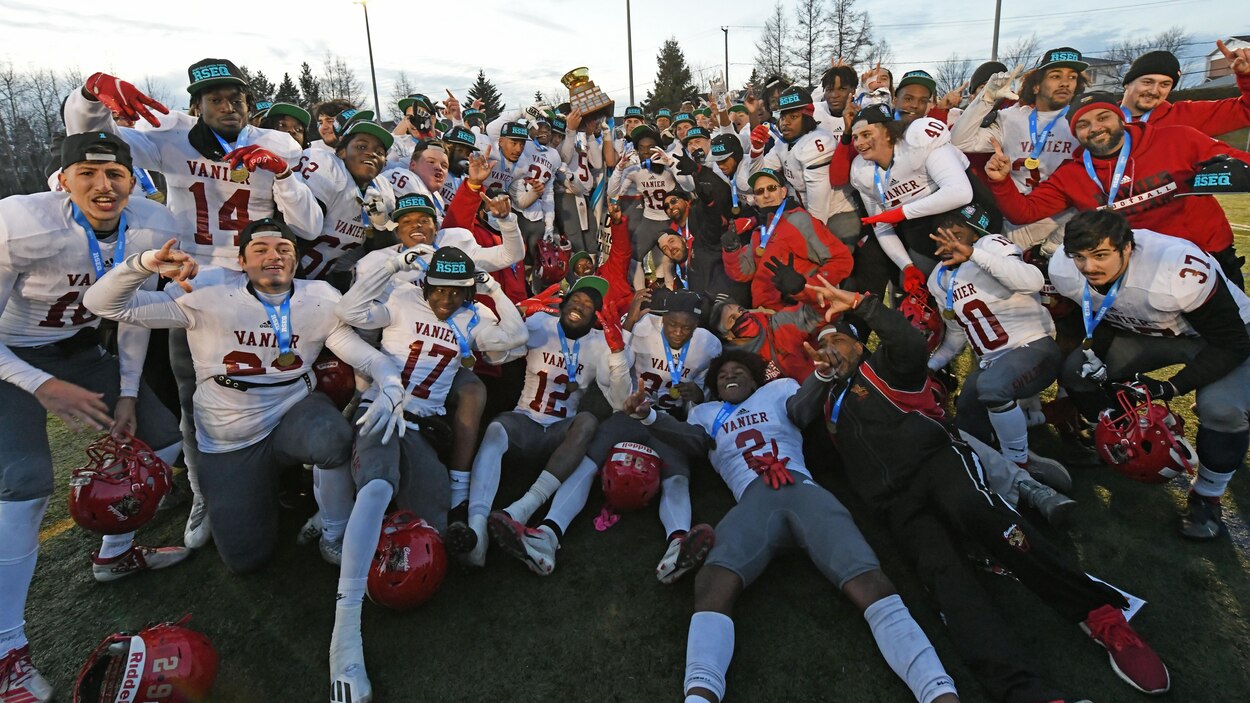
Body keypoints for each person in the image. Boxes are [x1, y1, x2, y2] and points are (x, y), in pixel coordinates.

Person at [807, 276, 1171, 702]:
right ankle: (1025, 693)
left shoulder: (886, 368)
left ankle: (1100, 615)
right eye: (822, 347)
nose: (830, 350)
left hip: (937, 466)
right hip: (897, 503)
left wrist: (859, 302)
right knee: (947, 583)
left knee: (989, 521)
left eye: (837, 340)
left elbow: (906, 339)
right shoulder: (827, 408)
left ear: (858, 345)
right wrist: (815, 387)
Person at [621, 349, 960, 703]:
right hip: (752, 502)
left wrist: (822, 376)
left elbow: (800, 410)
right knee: (711, 582)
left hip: (802, 491)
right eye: (721, 375)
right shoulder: (706, 414)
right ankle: (699, 697)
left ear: (755, 378)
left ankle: (937, 691)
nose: (729, 376)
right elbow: (691, 441)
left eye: (739, 370)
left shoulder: (778, 389)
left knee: (868, 579)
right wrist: (649, 417)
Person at [83, 218, 405, 574]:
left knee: (333, 438)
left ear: (295, 260)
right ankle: (253, 492)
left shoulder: (319, 297)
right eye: (261, 249)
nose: (274, 256)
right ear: (241, 261)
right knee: (244, 559)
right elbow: (104, 305)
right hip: (229, 431)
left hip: (292, 407)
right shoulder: (206, 289)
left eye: (284, 249)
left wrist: (390, 383)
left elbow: (362, 354)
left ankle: (334, 531)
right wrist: (142, 264)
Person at [0, 133, 191, 703]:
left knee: (162, 440)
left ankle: (115, 553)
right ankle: (7, 650)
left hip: (80, 351)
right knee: (24, 484)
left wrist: (129, 390)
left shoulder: (152, 226)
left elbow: (128, 312)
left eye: (115, 175)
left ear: (134, 180)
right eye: (87, 173)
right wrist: (42, 385)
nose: (103, 186)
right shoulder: (22, 223)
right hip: (11, 357)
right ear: (62, 179)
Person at [327, 245, 527, 701]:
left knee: (434, 532)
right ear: (426, 283)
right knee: (377, 488)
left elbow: (515, 337)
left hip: (420, 428)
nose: (447, 300)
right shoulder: (402, 298)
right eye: (440, 290)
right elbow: (349, 309)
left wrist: (491, 285)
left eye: (458, 292)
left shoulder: (471, 318)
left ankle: (364, 517)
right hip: (381, 408)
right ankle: (345, 634)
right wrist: (394, 263)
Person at [1049, 209, 1250, 541]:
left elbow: (1232, 343)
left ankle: (1207, 496)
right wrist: (1097, 356)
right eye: (1079, 257)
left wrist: (1171, 386)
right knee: (1078, 372)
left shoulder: (1175, 271)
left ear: (1127, 248)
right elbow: (1105, 313)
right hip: (1148, 332)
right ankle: (1119, 435)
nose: (1088, 267)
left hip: (1216, 337)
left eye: (1100, 255)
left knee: (1223, 410)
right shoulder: (1064, 268)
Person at [984, 91, 1250, 289]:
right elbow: (1023, 212)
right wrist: (1001, 181)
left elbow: (1241, 164)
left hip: (1209, 258)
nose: (1095, 128)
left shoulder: (1179, 138)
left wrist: (1228, 169)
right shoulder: (1072, 174)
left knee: (1234, 345)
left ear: (1120, 117)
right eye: (1083, 124)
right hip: (1140, 269)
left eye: (1103, 117)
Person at [466, 276, 632, 572]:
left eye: (589, 305)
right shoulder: (541, 323)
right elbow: (496, 353)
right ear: (564, 301)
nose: (580, 306)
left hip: (560, 434)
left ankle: (522, 509)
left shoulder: (599, 342)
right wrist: (518, 313)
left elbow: (620, 403)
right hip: (524, 421)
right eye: (576, 299)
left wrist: (618, 353)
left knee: (587, 421)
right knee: (495, 428)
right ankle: (477, 532)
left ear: (596, 315)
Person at [923, 204, 1074, 524]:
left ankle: (1019, 471)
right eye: (943, 232)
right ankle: (1018, 465)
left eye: (957, 230)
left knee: (992, 388)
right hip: (993, 364)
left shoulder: (992, 245)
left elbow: (1032, 280)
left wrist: (974, 255)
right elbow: (955, 337)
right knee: (965, 427)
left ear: (973, 232)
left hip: (1032, 347)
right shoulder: (938, 278)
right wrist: (930, 366)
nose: (949, 238)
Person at [950, 48, 1088, 253]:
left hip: (1064, 219)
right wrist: (986, 98)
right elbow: (960, 141)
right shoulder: (1011, 117)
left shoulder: (1085, 119)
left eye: (1072, 77)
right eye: (1055, 76)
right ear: (1036, 85)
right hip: (1016, 219)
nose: (1065, 83)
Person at [844, 104, 980, 279]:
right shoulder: (861, 171)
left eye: (866, 134)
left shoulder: (917, 141)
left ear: (887, 132)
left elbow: (960, 192)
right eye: (855, 137)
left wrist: (902, 212)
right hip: (924, 241)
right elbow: (881, 227)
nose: (859, 143)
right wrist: (906, 266)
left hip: (969, 228)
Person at [723, 168, 853, 311]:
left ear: (783, 192)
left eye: (771, 188)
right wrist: (731, 250)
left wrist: (804, 288)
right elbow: (743, 274)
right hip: (764, 311)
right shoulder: (760, 231)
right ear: (755, 199)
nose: (766, 195)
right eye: (760, 191)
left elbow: (842, 260)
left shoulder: (799, 220)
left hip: (794, 312)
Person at [294, 119, 405, 283]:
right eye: (361, 146)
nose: (371, 153)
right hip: (290, 276)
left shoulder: (382, 191)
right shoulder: (328, 170)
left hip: (324, 280)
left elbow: (385, 249)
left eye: (380, 152)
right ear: (341, 152)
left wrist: (382, 224)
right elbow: (295, 234)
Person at [744, 87, 845, 238]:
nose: (785, 123)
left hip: (836, 215)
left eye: (794, 116)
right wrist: (757, 151)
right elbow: (758, 179)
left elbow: (819, 209)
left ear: (807, 117)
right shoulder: (784, 143)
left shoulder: (816, 143)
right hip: (805, 213)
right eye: (783, 117)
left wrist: (806, 240)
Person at [1119, 42, 1250, 135]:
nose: (1154, 91)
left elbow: (1246, 110)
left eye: (1164, 84)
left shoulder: (1186, 117)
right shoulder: (1102, 115)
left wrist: (1247, 75)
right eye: (1147, 82)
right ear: (1127, 83)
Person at [608, 125, 682, 287]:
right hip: (649, 220)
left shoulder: (669, 167)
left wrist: (671, 164)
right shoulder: (634, 170)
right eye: (641, 149)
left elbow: (688, 186)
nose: (646, 153)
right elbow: (613, 191)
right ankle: (640, 295)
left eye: (650, 148)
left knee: (668, 259)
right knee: (635, 258)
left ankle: (669, 292)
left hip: (670, 221)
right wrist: (620, 168)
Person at [709, 297, 827, 381]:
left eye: (741, 310)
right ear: (727, 336)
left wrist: (802, 292)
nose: (741, 316)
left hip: (818, 391)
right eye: (732, 318)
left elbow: (817, 313)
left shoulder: (780, 324)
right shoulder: (731, 364)